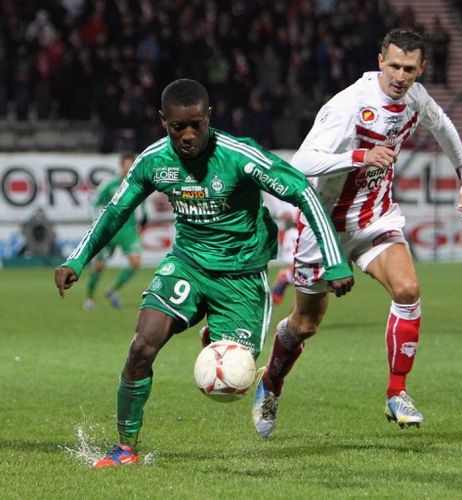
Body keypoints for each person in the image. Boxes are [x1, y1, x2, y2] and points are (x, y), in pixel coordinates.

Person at [54, 79, 354, 467]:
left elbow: (303, 192)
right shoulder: (154, 161)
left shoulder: (239, 156)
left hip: (241, 277)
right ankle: (126, 447)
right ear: (164, 122)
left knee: (232, 383)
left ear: (209, 117)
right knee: (142, 346)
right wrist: (76, 259)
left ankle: (220, 337)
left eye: (197, 124)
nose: (189, 135)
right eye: (179, 127)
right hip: (188, 264)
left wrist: (334, 259)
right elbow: (116, 211)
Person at [252, 28, 462, 438]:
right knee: (305, 324)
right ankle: (271, 383)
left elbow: (442, 125)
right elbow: (302, 161)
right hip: (322, 226)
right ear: (380, 61)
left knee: (408, 290)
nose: (400, 75)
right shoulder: (349, 105)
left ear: (421, 69)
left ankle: (397, 392)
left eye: (409, 68)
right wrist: (359, 155)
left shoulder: (414, 96)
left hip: (374, 218)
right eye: (393, 65)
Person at [82, 152, 143, 310]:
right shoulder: (109, 184)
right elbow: (94, 203)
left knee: (135, 262)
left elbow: (142, 205)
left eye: (132, 164)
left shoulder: (138, 183)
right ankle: (89, 298)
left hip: (128, 230)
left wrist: (144, 217)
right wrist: (97, 222)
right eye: (127, 164)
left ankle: (113, 290)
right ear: (121, 165)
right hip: (110, 230)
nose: (129, 167)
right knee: (100, 265)